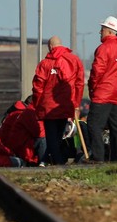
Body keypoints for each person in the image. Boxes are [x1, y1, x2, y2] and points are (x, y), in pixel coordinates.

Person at [32, 35, 84, 164]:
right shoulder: (74, 60)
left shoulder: (44, 64)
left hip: (48, 107)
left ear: (50, 46)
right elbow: (79, 83)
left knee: (51, 137)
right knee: (60, 135)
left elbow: (38, 87)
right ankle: (58, 161)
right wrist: (76, 103)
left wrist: (37, 105)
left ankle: (58, 162)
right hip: (65, 105)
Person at [86, 17, 117, 163]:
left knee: (94, 124)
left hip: (103, 92)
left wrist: (93, 88)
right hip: (116, 92)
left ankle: (98, 157)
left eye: (103, 29)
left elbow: (97, 71)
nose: (100, 32)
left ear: (110, 31)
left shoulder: (103, 48)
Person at [0, 95, 46, 166]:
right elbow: (38, 133)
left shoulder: (15, 111)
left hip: (11, 145)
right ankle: (43, 162)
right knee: (43, 139)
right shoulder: (28, 112)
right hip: (18, 148)